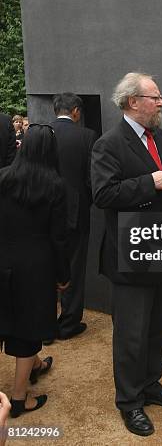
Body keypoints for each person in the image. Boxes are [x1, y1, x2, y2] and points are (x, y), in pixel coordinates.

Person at [91, 72, 162, 437]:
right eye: (155, 97)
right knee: (131, 333)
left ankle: (150, 384)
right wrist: (150, 182)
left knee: (160, 325)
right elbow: (102, 195)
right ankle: (130, 402)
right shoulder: (108, 144)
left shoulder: (160, 137)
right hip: (130, 255)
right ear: (134, 102)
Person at [0, 125, 70, 418]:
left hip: (2, 259)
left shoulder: (2, 178)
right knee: (27, 330)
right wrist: (63, 276)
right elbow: (59, 238)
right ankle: (18, 399)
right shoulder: (55, 186)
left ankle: (32, 371)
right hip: (37, 266)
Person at [49, 93, 97, 341]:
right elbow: (92, 178)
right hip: (75, 212)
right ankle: (68, 323)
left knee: (46, 266)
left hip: (44, 211)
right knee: (75, 268)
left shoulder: (42, 132)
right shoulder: (86, 136)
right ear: (76, 111)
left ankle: (45, 326)